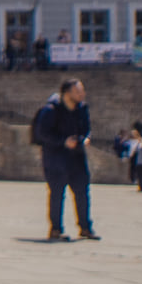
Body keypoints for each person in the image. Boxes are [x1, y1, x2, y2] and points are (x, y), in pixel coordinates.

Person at [32, 79, 96, 241]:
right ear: (67, 94)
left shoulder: (82, 109)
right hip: (55, 158)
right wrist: (63, 141)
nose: (82, 94)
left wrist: (86, 139)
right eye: (78, 91)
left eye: (82, 91)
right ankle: (56, 229)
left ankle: (85, 228)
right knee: (57, 194)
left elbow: (87, 129)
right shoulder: (51, 110)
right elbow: (42, 134)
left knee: (82, 193)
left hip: (77, 157)